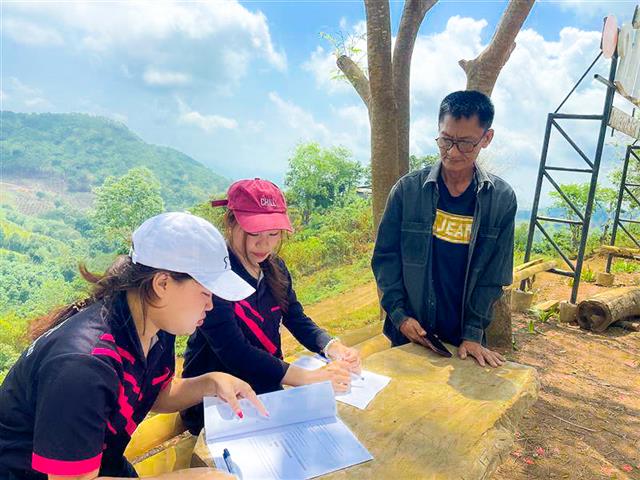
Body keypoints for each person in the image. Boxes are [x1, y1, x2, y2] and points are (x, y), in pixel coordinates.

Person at [0, 212, 267, 480]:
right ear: (162, 283)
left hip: (104, 464)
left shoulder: (155, 324)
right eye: (205, 292)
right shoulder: (84, 366)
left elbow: (151, 392)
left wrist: (210, 383)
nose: (210, 305)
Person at [181, 178, 361, 435]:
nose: (264, 244)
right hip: (216, 405)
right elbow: (235, 352)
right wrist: (309, 379)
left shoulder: (275, 269)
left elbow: (296, 318)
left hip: (266, 390)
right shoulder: (214, 277)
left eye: (273, 234)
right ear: (230, 223)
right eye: (254, 232)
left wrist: (332, 346)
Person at [372, 90, 517, 368]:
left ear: (486, 138)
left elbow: (493, 276)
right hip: (411, 333)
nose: (452, 152)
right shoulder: (407, 191)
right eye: (445, 140)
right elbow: (385, 259)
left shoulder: (501, 200)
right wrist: (400, 316)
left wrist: (473, 332)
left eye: (465, 143)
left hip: (465, 338)